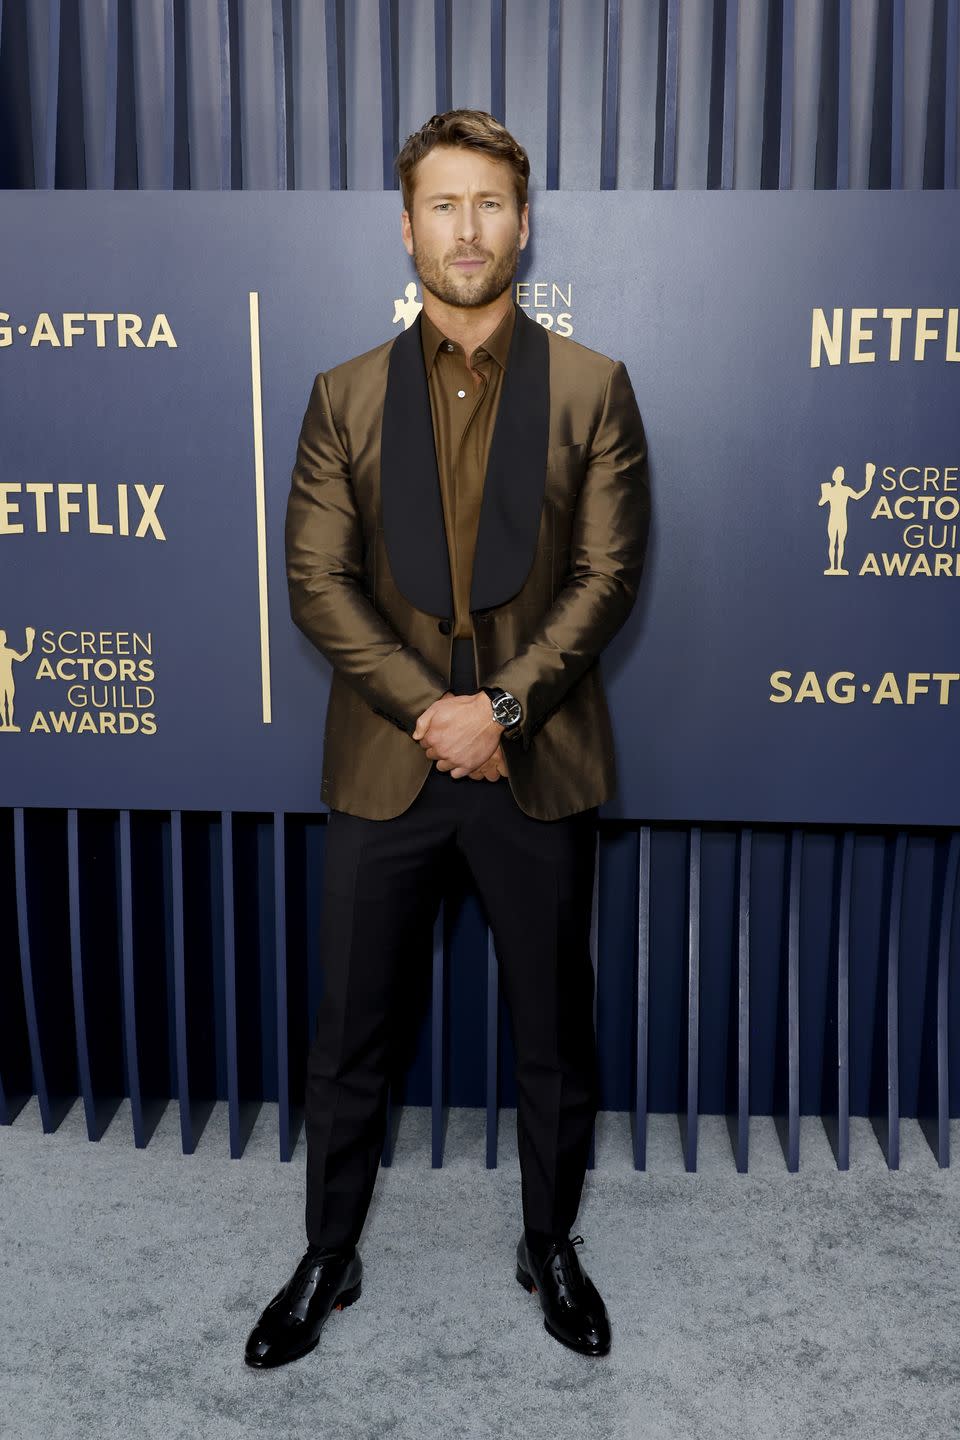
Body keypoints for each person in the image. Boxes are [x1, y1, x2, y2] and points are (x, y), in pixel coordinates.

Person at [244, 109, 649, 1369]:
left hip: (537, 757)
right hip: (388, 758)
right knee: (350, 1031)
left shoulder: (592, 388)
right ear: (406, 225)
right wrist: (435, 712)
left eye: (490, 205)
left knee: (552, 1030)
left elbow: (606, 574)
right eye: (442, 205)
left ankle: (552, 1241)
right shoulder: (342, 395)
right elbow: (318, 584)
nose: (466, 230)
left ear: (523, 224)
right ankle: (329, 1251)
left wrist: (504, 712)